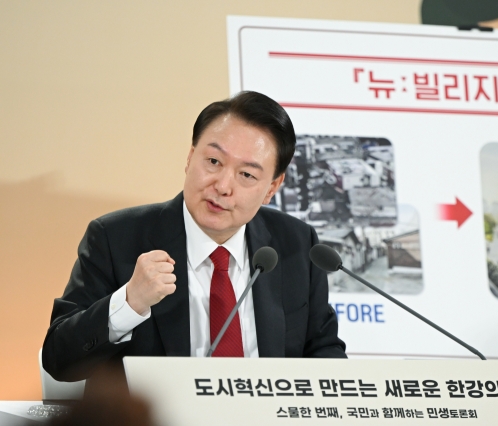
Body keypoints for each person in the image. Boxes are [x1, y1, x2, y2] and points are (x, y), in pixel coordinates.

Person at [42, 91, 347, 394]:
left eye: (247, 175)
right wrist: (129, 302)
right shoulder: (116, 237)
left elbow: (323, 351)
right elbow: (59, 360)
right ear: (190, 158)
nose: (223, 186)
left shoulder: (296, 244)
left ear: (272, 188)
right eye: (213, 161)